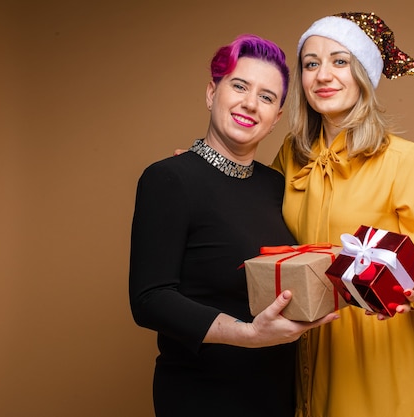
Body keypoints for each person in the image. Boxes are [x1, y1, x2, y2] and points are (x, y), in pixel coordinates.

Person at [128, 34, 339, 417]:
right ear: (212, 93)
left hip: (276, 394)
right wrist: (248, 335)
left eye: (266, 97)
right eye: (239, 86)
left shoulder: (277, 186)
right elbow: (150, 300)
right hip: (203, 395)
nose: (249, 103)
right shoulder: (169, 179)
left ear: (275, 119)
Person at [270, 12, 414, 417]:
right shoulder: (291, 156)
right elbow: (246, 208)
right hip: (311, 350)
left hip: (381, 364)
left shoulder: (405, 160)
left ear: (363, 73)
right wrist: (206, 168)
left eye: (340, 61)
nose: (323, 75)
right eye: (311, 63)